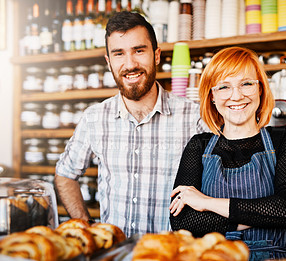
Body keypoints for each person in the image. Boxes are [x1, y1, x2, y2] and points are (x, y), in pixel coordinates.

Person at [54, 11, 207, 237]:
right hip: (114, 253)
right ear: (108, 62)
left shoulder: (195, 117)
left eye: (139, 50)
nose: (130, 64)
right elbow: (65, 174)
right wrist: (85, 227)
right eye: (118, 53)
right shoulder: (94, 118)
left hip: (171, 253)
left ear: (156, 55)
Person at [169, 47, 286, 260]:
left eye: (246, 84)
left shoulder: (285, 141)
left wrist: (207, 203)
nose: (236, 96)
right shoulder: (198, 146)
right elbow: (183, 221)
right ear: (212, 96)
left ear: (260, 89)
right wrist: (266, 213)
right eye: (224, 87)